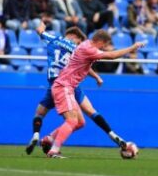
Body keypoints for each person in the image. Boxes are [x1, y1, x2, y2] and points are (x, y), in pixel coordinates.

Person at [26, 22, 131, 155]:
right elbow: (83, 64)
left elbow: (39, 30)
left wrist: (42, 24)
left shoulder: (54, 39)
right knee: (85, 114)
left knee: (41, 113)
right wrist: (97, 77)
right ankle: (112, 135)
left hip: (54, 83)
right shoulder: (76, 47)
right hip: (68, 84)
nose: (80, 41)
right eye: (79, 39)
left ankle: (39, 136)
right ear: (73, 36)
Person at [42, 30, 145, 158]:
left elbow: (85, 65)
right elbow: (112, 56)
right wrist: (133, 47)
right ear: (100, 41)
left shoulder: (86, 45)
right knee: (72, 121)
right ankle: (54, 151)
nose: (103, 48)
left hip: (68, 87)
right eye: (104, 45)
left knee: (80, 122)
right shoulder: (89, 48)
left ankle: (49, 139)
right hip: (64, 86)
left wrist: (96, 77)